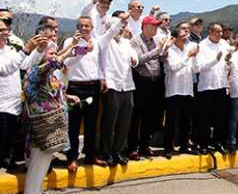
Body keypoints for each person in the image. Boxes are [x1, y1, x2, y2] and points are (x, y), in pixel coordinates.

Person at [21, 38, 80, 194]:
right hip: (41, 124)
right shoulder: (35, 70)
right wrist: (65, 53)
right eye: (51, 52)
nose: (54, 56)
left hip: (51, 123)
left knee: (44, 161)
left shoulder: (49, 73)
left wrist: (67, 97)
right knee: (38, 163)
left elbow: (54, 90)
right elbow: (50, 66)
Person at [63, 16, 107, 171]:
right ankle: (72, 157)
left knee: (91, 124)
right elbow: (66, 62)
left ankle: (90, 155)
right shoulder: (70, 42)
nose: (84, 28)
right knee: (73, 125)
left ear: (92, 27)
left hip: (92, 87)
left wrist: (102, 79)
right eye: (81, 25)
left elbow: (99, 64)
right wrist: (82, 50)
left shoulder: (96, 42)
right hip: (75, 88)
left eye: (87, 26)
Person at [0, 20, 44, 172]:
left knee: (10, 141)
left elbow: (24, 65)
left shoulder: (10, 51)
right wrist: (25, 50)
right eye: (0, 30)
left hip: (14, 105)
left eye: (5, 30)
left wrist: (38, 50)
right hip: (2, 106)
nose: (4, 33)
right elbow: (5, 69)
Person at [99, 11, 138, 166]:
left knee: (124, 121)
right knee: (110, 121)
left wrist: (134, 60)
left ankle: (118, 151)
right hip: (112, 85)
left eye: (122, 27)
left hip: (127, 85)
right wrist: (121, 20)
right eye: (118, 27)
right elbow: (112, 31)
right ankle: (106, 152)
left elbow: (134, 57)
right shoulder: (104, 40)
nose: (121, 30)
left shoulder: (126, 43)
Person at [129, 16, 171, 159]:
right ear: (145, 26)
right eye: (154, 26)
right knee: (137, 116)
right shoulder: (135, 40)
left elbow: (161, 59)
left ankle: (144, 146)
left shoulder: (155, 41)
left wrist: (165, 49)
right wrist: (157, 50)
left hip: (155, 82)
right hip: (141, 82)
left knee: (150, 116)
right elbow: (139, 60)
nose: (156, 29)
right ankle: (132, 148)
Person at [164, 22, 199, 158]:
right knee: (171, 121)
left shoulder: (189, 48)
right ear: (176, 34)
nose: (187, 33)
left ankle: (184, 146)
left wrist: (194, 58)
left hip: (187, 89)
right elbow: (173, 67)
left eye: (188, 31)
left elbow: (196, 69)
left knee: (186, 120)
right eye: (184, 30)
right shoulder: (170, 49)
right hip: (173, 90)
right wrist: (188, 56)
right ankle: (168, 147)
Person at [195, 23, 231, 154]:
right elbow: (199, 67)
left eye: (221, 31)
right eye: (217, 32)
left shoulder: (224, 44)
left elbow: (228, 61)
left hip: (221, 84)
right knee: (204, 118)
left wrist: (228, 62)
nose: (220, 34)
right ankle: (203, 144)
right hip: (206, 86)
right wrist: (215, 60)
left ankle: (218, 143)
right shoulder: (202, 46)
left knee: (219, 117)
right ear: (210, 32)